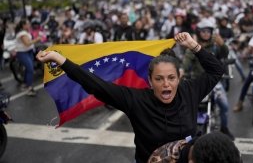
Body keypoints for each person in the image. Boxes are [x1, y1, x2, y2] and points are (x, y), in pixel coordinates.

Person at [36, 32, 226, 163]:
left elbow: (217, 70)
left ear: (179, 78)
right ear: (150, 82)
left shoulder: (189, 91)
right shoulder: (135, 100)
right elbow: (95, 84)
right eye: (159, 79)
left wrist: (193, 45)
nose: (166, 84)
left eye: (171, 78)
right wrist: (60, 60)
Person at [181, 19, 234, 140]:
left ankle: (224, 128)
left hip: (214, 83)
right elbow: (186, 61)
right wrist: (181, 71)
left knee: (225, 106)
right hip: (197, 81)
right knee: (186, 106)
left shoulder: (215, 47)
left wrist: (222, 44)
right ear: (199, 32)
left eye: (208, 31)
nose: (206, 34)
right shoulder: (192, 47)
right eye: (203, 31)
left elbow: (225, 54)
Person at [15, 19, 42, 96]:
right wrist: (37, 39)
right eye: (27, 24)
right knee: (30, 69)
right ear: (23, 25)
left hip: (29, 52)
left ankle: (26, 84)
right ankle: (29, 88)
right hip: (23, 53)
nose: (29, 25)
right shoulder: (22, 33)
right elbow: (27, 43)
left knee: (29, 69)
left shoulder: (26, 32)